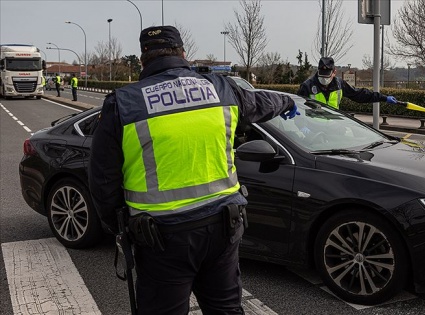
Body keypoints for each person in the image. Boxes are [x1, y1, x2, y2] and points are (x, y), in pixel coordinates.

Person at [88, 25, 298, 315]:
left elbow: (102, 178)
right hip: (224, 226)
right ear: (183, 53)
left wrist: (118, 225)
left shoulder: (123, 103)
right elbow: (262, 102)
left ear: (142, 60)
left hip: (161, 237)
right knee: (225, 309)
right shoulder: (221, 87)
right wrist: (287, 101)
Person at [297, 57, 398, 109]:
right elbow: (298, 107)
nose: (324, 79)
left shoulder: (339, 84)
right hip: (314, 129)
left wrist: (383, 98)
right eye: (322, 75)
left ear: (334, 72)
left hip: (333, 127)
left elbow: (359, 94)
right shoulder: (307, 86)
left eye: (327, 76)